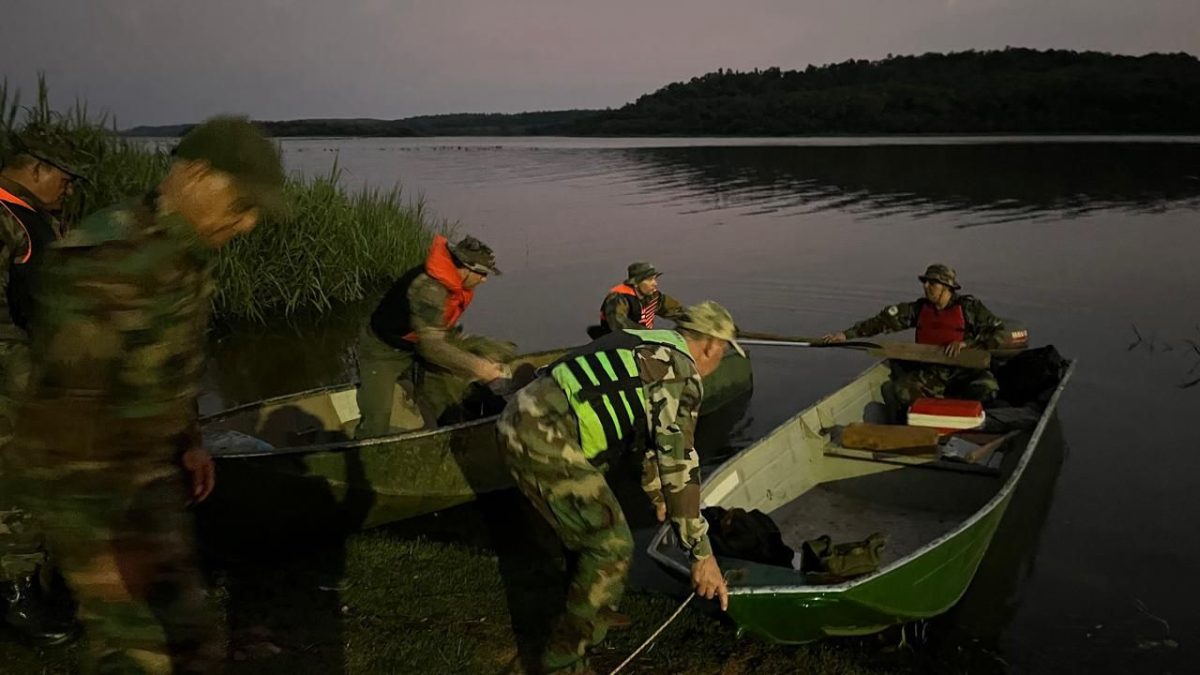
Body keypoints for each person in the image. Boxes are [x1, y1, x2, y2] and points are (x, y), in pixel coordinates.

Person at [9, 116, 285, 673]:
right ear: (199, 176)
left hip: (149, 475)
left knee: (189, 639)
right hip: (100, 492)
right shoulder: (109, 256)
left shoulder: (186, 250)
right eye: (244, 203)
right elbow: (63, 412)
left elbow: (169, 361)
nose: (250, 222)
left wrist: (191, 439)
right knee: (139, 648)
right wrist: (104, 549)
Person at [498, 300, 738, 674]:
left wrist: (659, 495)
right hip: (543, 431)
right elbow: (679, 462)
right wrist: (701, 555)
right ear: (711, 346)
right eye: (723, 353)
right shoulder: (680, 371)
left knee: (589, 534)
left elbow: (649, 438)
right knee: (610, 543)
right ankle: (563, 663)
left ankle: (592, 608)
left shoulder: (645, 341)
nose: (717, 363)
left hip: (524, 416)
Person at [0, 124, 89, 645]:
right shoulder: (5, 217)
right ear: (36, 167)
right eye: (66, 178)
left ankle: (39, 581)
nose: (70, 188)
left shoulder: (34, 216)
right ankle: (15, 598)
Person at [355, 234, 512, 437]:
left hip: (421, 343)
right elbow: (432, 348)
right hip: (384, 350)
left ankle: (447, 431)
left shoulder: (457, 283)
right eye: (482, 274)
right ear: (465, 268)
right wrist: (481, 369)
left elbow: (434, 340)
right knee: (377, 419)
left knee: (447, 394)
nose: (484, 280)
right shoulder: (430, 289)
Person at [822, 263, 1005, 407]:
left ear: (946, 287)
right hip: (931, 373)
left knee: (988, 390)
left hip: (965, 371)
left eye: (932, 283)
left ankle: (965, 417)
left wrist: (966, 343)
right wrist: (846, 335)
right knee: (902, 391)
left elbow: (999, 332)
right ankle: (930, 417)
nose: (926, 287)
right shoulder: (918, 309)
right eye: (925, 282)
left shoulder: (970, 308)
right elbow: (881, 322)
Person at [590, 261, 686, 337]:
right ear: (636, 283)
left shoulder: (653, 297)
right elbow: (619, 324)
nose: (655, 283)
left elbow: (676, 311)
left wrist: (695, 321)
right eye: (649, 280)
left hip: (643, 341)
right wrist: (651, 335)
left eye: (654, 279)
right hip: (617, 343)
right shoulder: (618, 298)